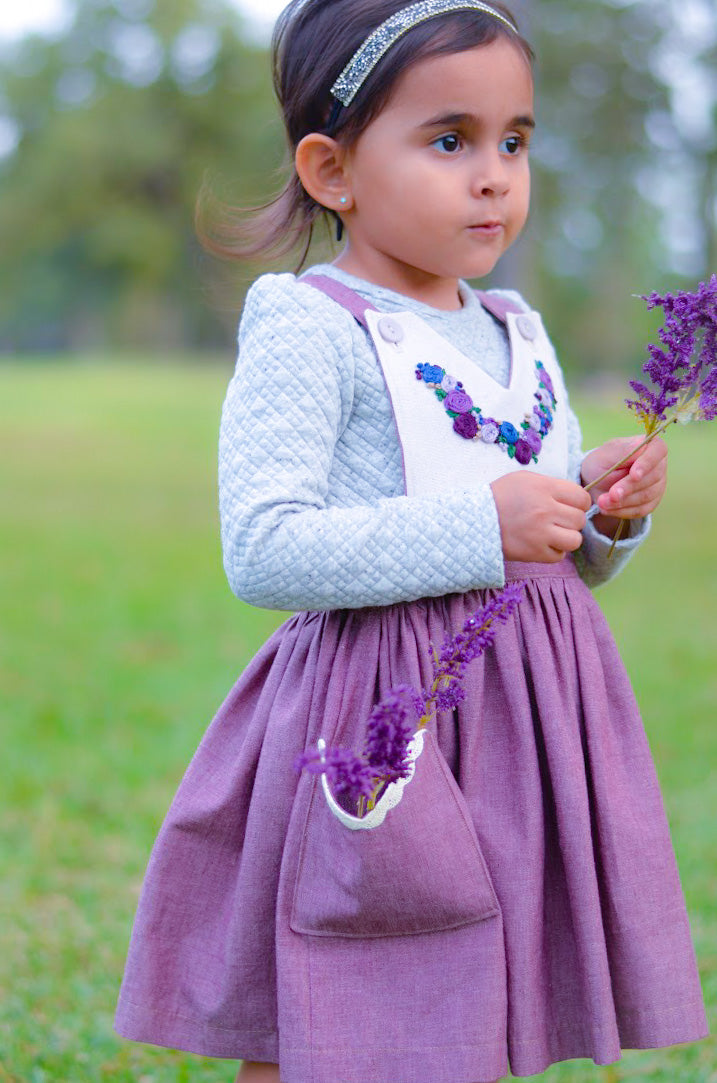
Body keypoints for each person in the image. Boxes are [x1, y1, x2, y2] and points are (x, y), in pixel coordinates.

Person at [114, 2, 708, 1081]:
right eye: (450, 140)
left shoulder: (517, 331)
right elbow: (266, 548)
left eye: (514, 141)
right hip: (386, 721)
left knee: (477, 1009)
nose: (494, 175)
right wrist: (486, 523)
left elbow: (555, 555)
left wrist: (603, 510)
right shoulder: (312, 325)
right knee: (352, 990)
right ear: (333, 170)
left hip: (531, 725)